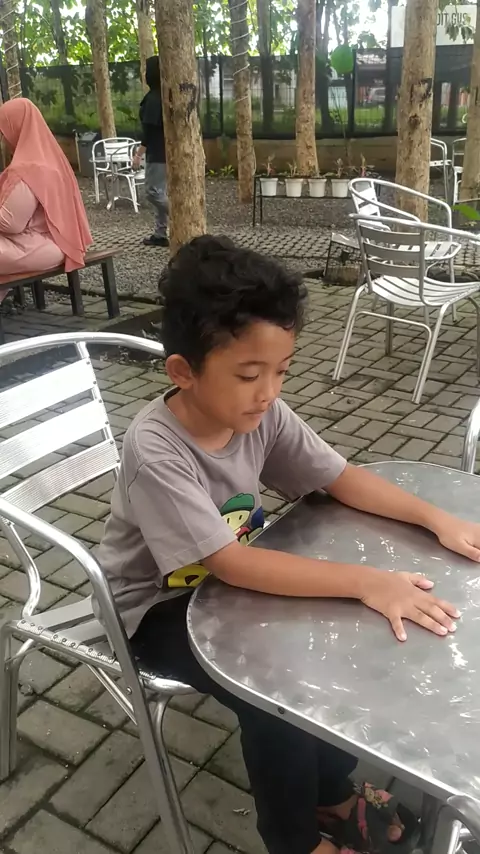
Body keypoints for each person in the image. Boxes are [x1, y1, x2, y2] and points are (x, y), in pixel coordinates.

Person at [97, 235, 480, 854]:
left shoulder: (259, 414)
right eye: (250, 374)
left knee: (324, 649)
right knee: (276, 689)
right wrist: (367, 582)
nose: (269, 391)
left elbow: (340, 478)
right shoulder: (156, 448)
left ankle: (329, 789)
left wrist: (435, 519)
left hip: (228, 586)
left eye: (281, 371)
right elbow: (229, 562)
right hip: (155, 608)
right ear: (183, 373)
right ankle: (294, 840)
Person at [0, 97, 92, 303]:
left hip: (35, 247)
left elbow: (10, 223)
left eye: (4, 132)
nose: (3, 140)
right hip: (56, 243)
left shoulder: (28, 167)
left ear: (16, 129)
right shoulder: (50, 160)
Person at [132, 55, 168, 248]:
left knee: (153, 193)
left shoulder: (153, 99)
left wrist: (138, 155)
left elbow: (149, 132)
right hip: (168, 153)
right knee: (161, 192)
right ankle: (160, 234)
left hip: (158, 155)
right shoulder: (166, 95)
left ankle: (182, 216)